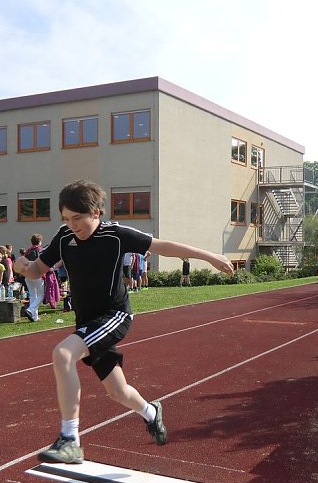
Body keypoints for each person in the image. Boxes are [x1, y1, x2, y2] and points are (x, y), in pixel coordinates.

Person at [14, 180, 234, 464]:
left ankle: (70, 440)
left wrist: (211, 257)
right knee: (117, 391)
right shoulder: (64, 237)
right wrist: (23, 267)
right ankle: (151, 412)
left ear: (96, 212)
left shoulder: (115, 235)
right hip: (86, 322)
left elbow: (164, 246)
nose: (72, 225)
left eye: (77, 218)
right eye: (66, 219)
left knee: (63, 354)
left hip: (114, 316)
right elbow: (37, 269)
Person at [22, 234, 46, 322]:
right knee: (41, 295)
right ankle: (30, 310)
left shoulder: (27, 251)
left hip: (27, 275)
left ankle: (34, 316)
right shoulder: (40, 250)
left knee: (33, 295)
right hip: (37, 275)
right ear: (40, 242)